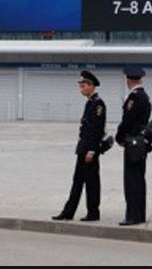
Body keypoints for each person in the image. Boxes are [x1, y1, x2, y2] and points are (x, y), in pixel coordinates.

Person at [53, 71, 107, 222]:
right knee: (78, 181)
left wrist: (91, 150)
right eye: (80, 86)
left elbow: (97, 129)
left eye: (83, 86)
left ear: (91, 86)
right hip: (83, 148)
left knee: (91, 182)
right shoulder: (90, 102)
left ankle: (92, 212)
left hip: (89, 150)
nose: (81, 89)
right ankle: (69, 212)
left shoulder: (98, 104)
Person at [115, 66, 152, 226]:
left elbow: (127, 121)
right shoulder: (145, 97)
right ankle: (140, 214)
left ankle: (132, 215)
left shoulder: (134, 98)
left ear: (128, 80)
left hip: (132, 142)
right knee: (139, 179)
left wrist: (119, 136)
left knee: (131, 180)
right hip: (141, 141)